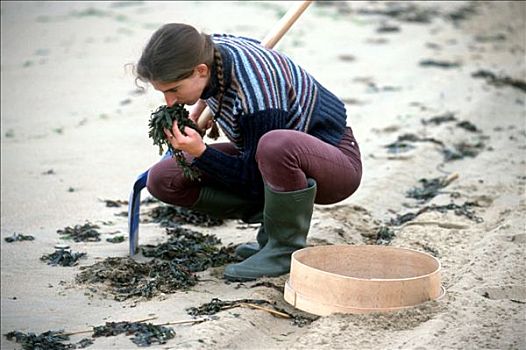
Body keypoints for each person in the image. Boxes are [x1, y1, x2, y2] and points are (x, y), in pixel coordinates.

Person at [134, 23, 362, 281]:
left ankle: (284, 248)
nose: (170, 102)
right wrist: (204, 103)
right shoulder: (211, 49)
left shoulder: (257, 96)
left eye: (174, 90)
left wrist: (202, 152)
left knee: (274, 145)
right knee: (165, 178)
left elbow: (255, 181)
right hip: (271, 157)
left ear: (200, 70)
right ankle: (271, 229)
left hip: (333, 161)